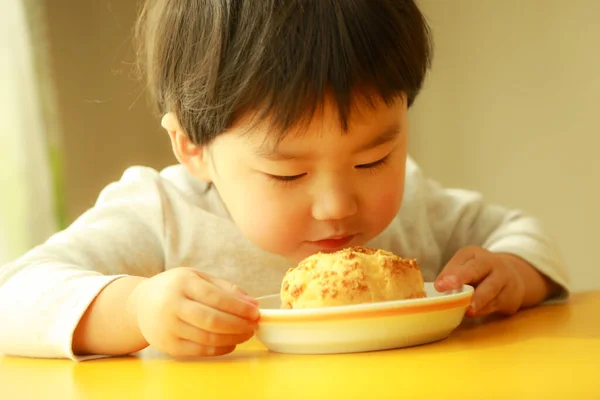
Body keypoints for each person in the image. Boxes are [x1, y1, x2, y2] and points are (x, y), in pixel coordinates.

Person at [0, 0, 569, 361]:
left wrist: (515, 273)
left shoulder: (417, 204)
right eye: (287, 172)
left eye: (373, 160)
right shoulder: (163, 215)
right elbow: (13, 298)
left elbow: (523, 235)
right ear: (193, 148)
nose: (337, 205)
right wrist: (136, 308)